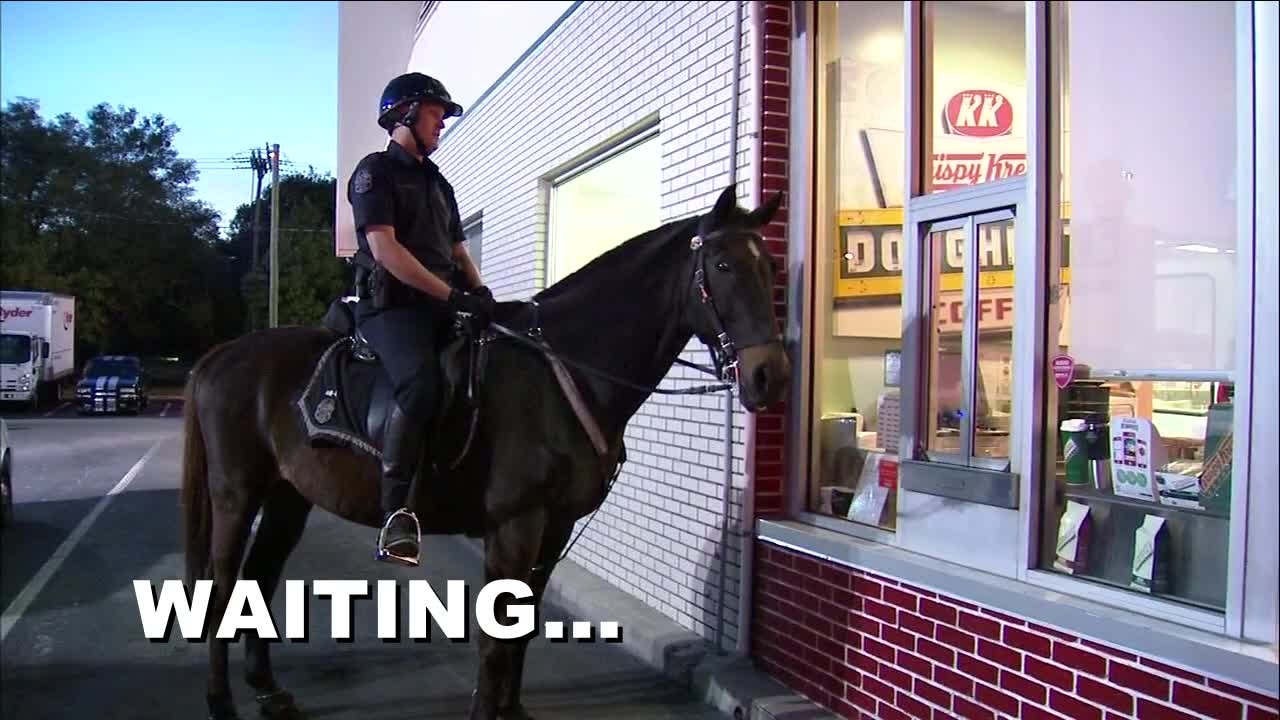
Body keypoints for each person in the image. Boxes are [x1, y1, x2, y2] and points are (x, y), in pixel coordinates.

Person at [347, 72, 496, 566]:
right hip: (392, 309)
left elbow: (457, 249)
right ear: (406, 114)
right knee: (421, 384)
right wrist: (453, 295)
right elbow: (385, 249)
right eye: (436, 114)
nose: (441, 125)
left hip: (442, 303)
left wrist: (480, 292)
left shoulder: (439, 183)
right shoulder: (374, 172)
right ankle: (395, 512)